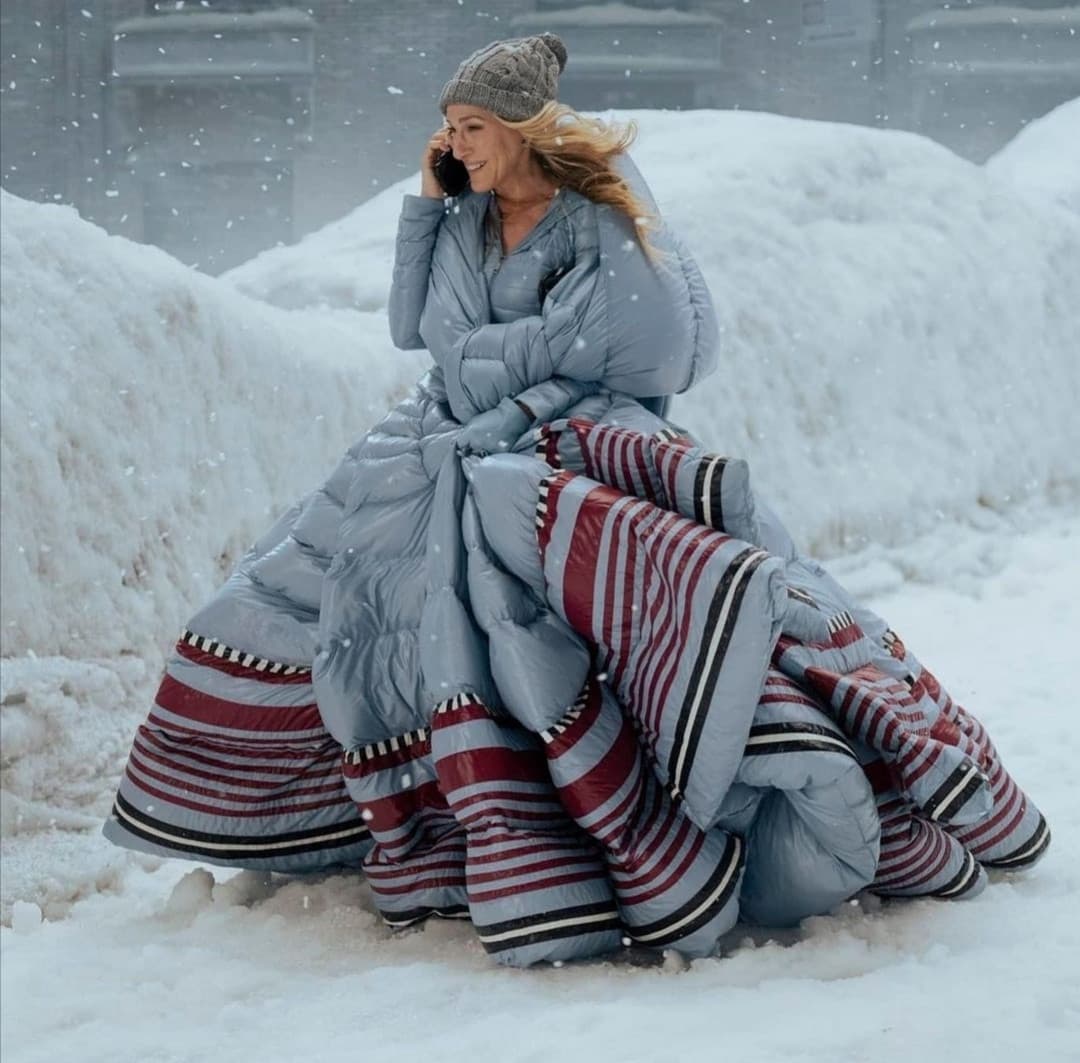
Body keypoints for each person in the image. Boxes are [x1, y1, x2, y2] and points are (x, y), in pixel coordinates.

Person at [104, 34, 1049, 968]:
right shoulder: (464, 214)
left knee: (597, 612)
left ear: (522, 128)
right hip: (440, 436)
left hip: (572, 437)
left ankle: (610, 836)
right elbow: (412, 328)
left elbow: (644, 355)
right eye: (449, 127)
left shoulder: (598, 216)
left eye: (472, 126)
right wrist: (428, 211)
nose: (457, 142)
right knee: (313, 601)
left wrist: (503, 387)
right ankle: (384, 817)